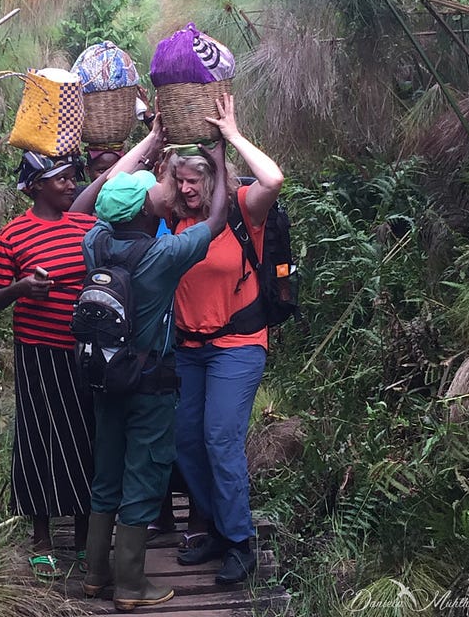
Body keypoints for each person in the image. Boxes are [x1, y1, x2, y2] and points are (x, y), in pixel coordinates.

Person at [78, 121, 230, 612]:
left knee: (106, 475)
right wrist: (221, 165)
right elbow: (218, 220)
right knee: (144, 475)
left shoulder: (95, 242)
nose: (167, 192)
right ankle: (131, 585)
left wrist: (150, 144)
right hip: (150, 383)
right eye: (156, 191)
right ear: (146, 210)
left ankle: (95, 574)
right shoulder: (164, 254)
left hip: (105, 376)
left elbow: (104, 195)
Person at [168, 93, 284, 585]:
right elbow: (112, 186)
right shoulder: (170, 213)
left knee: (220, 439)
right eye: (180, 179)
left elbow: (273, 179)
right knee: (186, 441)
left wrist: (232, 137)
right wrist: (157, 141)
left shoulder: (240, 208)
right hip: (189, 348)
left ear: (212, 178)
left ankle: (240, 541)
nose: (187, 187)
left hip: (237, 345)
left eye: (195, 180)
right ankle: (216, 526)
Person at [0, 150, 95, 580]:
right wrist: (21, 288)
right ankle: (42, 538)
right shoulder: (13, 236)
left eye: (72, 178)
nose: (70, 185)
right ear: (37, 186)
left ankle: (86, 542)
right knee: (38, 438)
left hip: (85, 351)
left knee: (87, 436)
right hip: (38, 352)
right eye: (62, 179)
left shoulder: (86, 226)